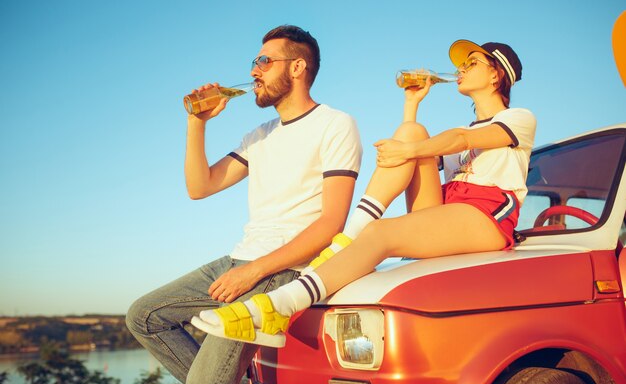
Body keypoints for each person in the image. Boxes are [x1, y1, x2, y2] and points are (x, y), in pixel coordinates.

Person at [191, 39, 537, 348]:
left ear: (496, 76)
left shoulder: (519, 118)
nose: (461, 69)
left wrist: (408, 151)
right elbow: (418, 156)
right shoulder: (449, 137)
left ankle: (283, 304)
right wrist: (412, 105)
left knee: (381, 227)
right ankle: (349, 240)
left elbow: (463, 139)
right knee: (412, 129)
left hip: (487, 218)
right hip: (447, 213)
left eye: (472, 63)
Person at [125, 25, 362, 384]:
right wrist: (196, 123)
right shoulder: (260, 134)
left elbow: (331, 224)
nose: (254, 70)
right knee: (144, 317)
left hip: (282, 270)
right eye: (254, 62)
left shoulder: (335, 124)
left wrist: (253, 273)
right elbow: (199, 187)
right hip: (239, 260)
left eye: (265, 61)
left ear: (297, 68)